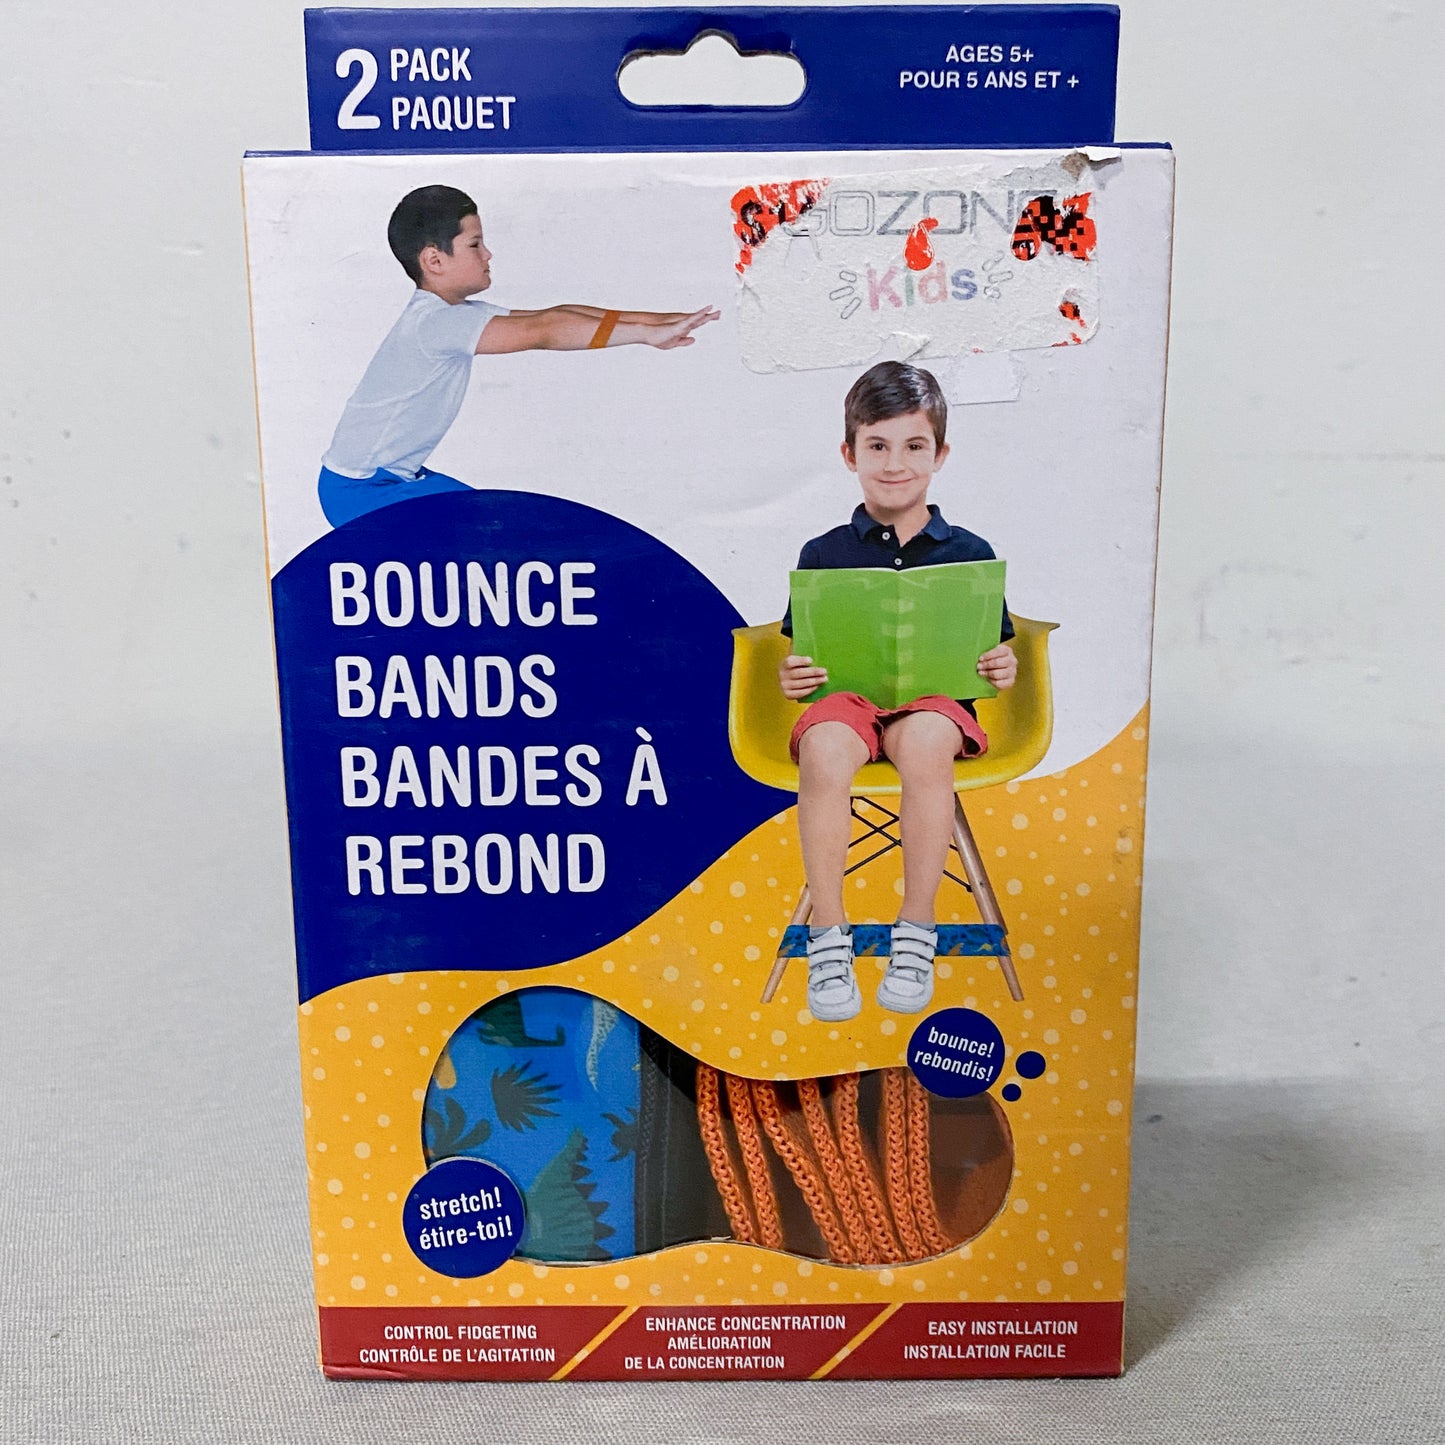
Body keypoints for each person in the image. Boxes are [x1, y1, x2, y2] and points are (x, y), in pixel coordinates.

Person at [778, 362, 1017, 1021]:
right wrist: (791, 676)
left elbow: (994, 648)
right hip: (849, 699)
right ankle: (828, 932)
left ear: (939, 454)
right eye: (877, 445)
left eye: (913, 446)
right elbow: (801, 654)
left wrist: (1004, 666)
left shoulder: (969, 551)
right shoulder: (822, 552)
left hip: (933, 699)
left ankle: (916, 928)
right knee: (824, 748)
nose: (894, 463)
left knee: (928, 740)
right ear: (849, 453)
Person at [317, 184, 719, 527]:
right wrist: (645, 335)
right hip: (360, 491)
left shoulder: (452, 314)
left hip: (391, 480)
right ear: (434, 260)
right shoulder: (437, 324)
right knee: (501, 532)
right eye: (475, 245)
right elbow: (545, 331)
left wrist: (662, 322)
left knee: (504, 525)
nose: (488, 254)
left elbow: (556, 314)